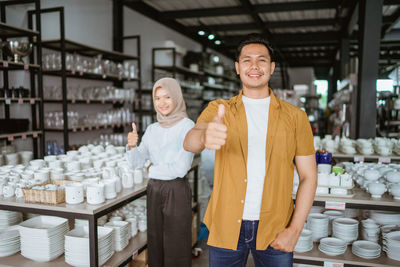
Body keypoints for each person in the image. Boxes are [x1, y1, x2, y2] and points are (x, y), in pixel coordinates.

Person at [183, 33, 317, 267]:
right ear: (237, 67)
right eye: (247, 60)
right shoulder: (219, 109)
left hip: (276, 227)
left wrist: (295, 229)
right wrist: (205, 136)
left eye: (261, 60)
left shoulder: (296, 117)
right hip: (226, 225)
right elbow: (190, 142)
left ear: (272, 67)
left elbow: (309, 176)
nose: (254, 66)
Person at [126, 77, 194, 267]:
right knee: (155, 241)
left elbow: (180, 169)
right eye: (157, 98)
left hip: (176, 190)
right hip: (154, 189)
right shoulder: (152, 129)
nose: (162, 103)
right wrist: (132, 146)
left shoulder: (187, 126)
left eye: (167, 97)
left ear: (177, 98)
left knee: (176, 244)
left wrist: (151, 169)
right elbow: (136, 163)